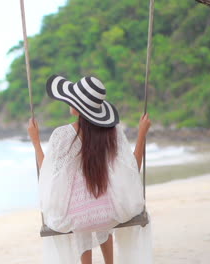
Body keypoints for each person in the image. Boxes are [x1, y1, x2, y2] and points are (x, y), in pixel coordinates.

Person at [27, 75, 152, 264]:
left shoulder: (62, 135)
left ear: (77, 109)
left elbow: (48, 174)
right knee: (99, 199)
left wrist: (35, 141)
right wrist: (142, 133)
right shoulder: (112, 133)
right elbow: (133, 171)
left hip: (76, 218)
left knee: (80, 213)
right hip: (110, 213)